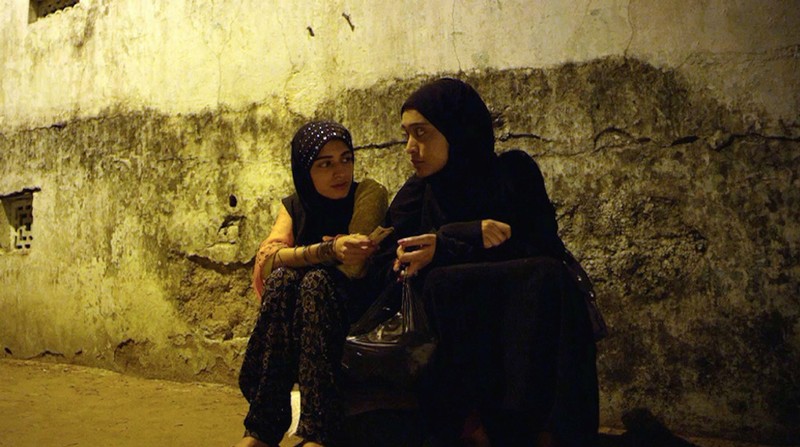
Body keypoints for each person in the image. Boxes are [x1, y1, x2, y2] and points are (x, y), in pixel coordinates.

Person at [376, 78, 599, 446]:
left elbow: (540, 245)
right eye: (407, 135)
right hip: (455, 346)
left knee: (546, 277)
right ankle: (473, 424)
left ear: (457, 131)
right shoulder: (419, 194)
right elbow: (391, 264)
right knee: (441, 283)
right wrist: (448, 241)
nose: (411, 148)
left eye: (422, 133)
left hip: (518, 326)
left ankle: (541, 427)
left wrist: (448, 245)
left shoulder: (512, 175)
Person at [235, 121, 389, 447]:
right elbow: (268, 261)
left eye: (346, 159)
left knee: (315, 282)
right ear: (305, 171)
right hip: (301, 311)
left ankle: (318, 432)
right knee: (283, 281)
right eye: (325, 164)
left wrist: (302, 255)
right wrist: (327, 249)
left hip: (358, 306)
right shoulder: (295, 205)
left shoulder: (368, 193)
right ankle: (262, 427)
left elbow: (353, 264)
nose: (340, 172)